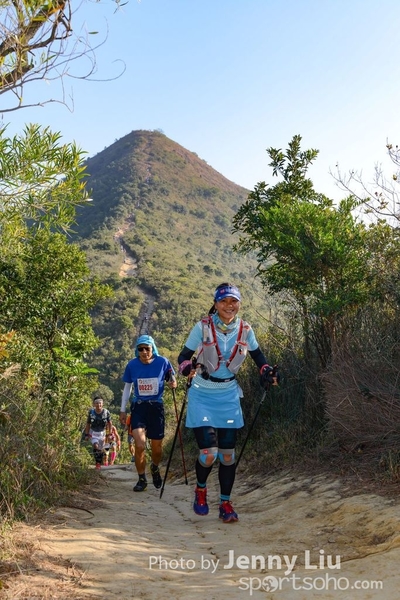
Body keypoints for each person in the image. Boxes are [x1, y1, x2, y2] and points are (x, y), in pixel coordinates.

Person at [177, 283, 279, 523]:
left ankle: (225, 503)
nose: (229, 306)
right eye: (223, 301)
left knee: (227, 456)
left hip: (229, 395)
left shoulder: (245, 329)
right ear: (215, 304)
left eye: (233, 301)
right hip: (202, 394)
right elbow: (183, 357)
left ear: (239, 304)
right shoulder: (203, 327)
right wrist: (187, 367)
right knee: (208, 453)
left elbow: (258, 356)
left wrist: (266, 371)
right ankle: (201, 489)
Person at [119, 334, 177, 492]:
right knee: (139, 445)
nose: (144, 352)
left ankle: (155, 467)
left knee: (157, 448)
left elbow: (171, 378)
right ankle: (141, 479)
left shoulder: (163, 362)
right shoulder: (132, 365)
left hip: (156, 407)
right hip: (139, 407)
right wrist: (123, 409)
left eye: (147, 348)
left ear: (153, 349)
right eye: (140, 349)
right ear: (137, 350)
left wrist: (173, 382)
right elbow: (127, 387)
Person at [84, 397, 112, 470]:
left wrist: (110, 434)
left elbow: (110, 423)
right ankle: (97, 463)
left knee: (100, 449)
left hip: (102, 433)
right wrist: (86, 434)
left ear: (102, 404)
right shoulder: (91, 412)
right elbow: (88, 423)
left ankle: (99, 461)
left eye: (100, 403)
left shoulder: (106, 412)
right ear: (94, 404)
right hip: (93, 432)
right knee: (95, 445)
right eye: (96, 403)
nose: (98, 405)